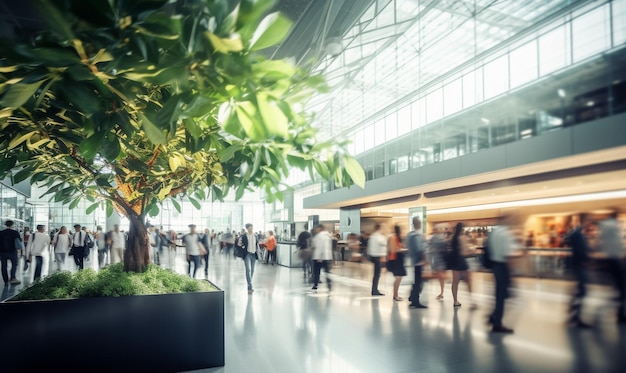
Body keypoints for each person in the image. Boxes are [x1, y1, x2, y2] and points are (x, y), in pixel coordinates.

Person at [488, 215, 519, 333]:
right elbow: (508, 255)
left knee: (498, 294)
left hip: (495, 266)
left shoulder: (494, 232)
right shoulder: (506, 234)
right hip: (502, 266)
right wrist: (511, 273)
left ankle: (494, 316)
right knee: (503, 295)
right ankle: (497, 323)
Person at [565, 215, 593, 328]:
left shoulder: (577, 233)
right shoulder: (578, 234)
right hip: (580, 265)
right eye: (588, 221)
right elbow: (582, 250)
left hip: (577, 264)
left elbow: (568, 240)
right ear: (584, 221)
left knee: (580, 290)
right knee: (582, 290)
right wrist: (587, 257)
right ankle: (576, 316)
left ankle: (573, 311)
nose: (589, 223)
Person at [598, 213, 626, 323]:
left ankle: (620, 313)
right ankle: (619, 314)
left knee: (618, 291)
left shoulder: (606, 228)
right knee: (620, 292)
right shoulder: (612, 228)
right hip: (615, 262)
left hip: (612, 262)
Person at [448, 222, 473, 308]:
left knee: (455, 282)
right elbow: (465, 252)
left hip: (454, 261)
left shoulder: (451, 238)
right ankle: (471, 301)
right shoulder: (462, 238)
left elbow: (449, 248)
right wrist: (471, 250)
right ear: (462, 229)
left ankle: (455, 301)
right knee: (468, 281)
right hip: (461, 260)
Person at [407, 217, 427, 309]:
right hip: (419, 261)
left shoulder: (410, 235)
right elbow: (420, 249)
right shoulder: (417, 236)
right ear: (418, 224)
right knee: (419, 281)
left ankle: (412, 297)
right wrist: (424, 258)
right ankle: (415, 300)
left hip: (413, 260)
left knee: (417, 280)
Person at [428, 223, 448, 300]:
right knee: (441, 276)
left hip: (438, 259)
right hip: (442, 259)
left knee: (440, 276)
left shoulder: (434, 238)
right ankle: (442, 292)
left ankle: (442, 292)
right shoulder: (442, 238)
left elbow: (430, 249)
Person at [387, 224, 407, 301]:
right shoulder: (393, 238)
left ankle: (396, 294)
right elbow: (394, 250)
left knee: (398, 277)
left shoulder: (397, 238)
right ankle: (395, 295)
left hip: (398, 259)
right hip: (395, 259)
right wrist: (405, 250)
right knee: (398, 277)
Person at [237, 223, 259, 294]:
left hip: (253, 254)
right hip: (247, 254)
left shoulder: (255, 236)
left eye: (252, 228)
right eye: (249, 228)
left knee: (252, 270)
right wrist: (242, 245)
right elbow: (239, 243)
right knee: (248, 270)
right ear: (247, 229)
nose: (251, 230)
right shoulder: (243, 236)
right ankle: (250, 286)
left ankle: (249, 282)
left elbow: (257, 244)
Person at [0, 220, 22, 285]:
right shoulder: (15, 232)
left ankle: (6, 281)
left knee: (4, 266)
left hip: (2, 252)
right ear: (12, 225)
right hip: (12, 251)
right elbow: (19, 241)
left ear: (5, 225)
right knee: (14, 265)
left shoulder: (1, 233)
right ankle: (12, 278)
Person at [367, 223, 387, 296]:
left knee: (376, 274)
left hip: (373, 256)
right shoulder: (380, 237)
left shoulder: (372, 236)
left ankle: (374, 289)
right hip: (378, 257)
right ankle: (374, 290)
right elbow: (383, 247)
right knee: (377, 274)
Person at [311, 225, 332, 291]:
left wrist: (320, 257)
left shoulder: (319, 236)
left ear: (320, 228)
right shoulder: (328, 236)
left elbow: (320, 247)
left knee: (316, 272)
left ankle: (315, 285)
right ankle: (329, 285)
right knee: (327, 272)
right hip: (327, 257)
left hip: (319, 258)